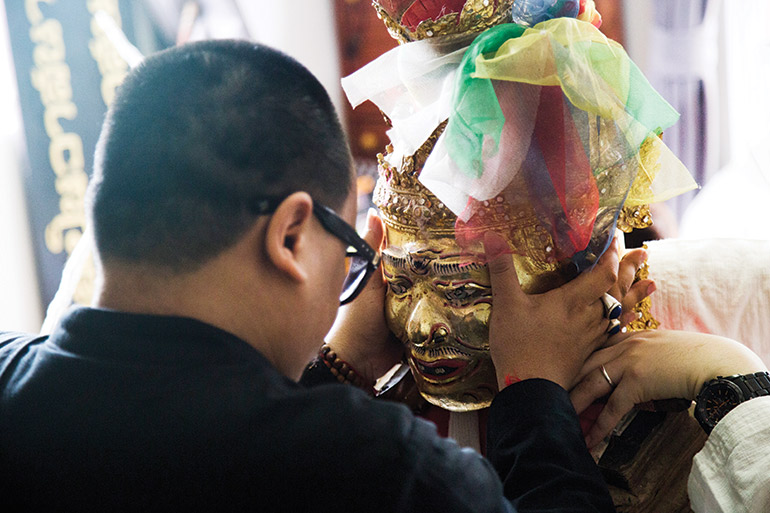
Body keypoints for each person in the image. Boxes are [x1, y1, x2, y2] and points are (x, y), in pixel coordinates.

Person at [0, 40, 620, 512]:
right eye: (353, 250)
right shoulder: (379, 470)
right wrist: (532, 393)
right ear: (292, 236)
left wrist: (334, 368)